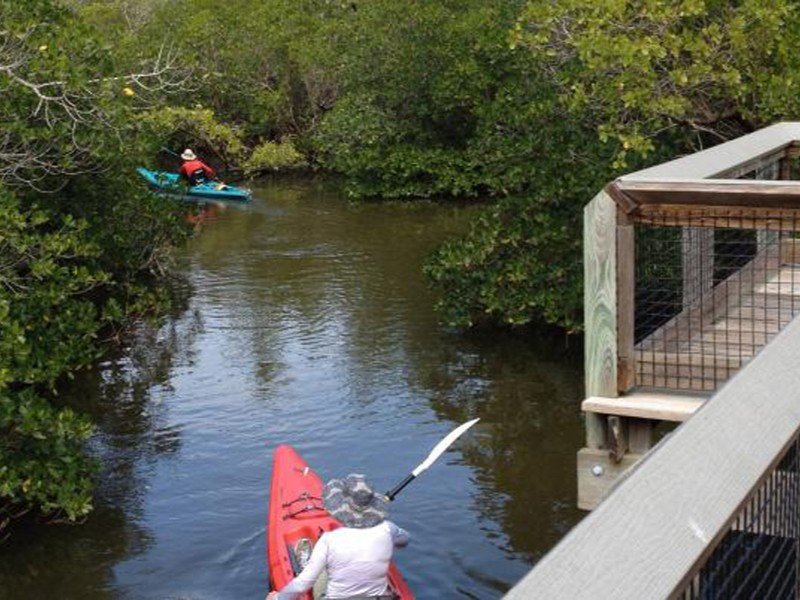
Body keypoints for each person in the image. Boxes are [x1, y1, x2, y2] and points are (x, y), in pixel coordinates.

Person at [268, 474, 410, 600]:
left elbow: (302, 584)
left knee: (321, 571)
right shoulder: (388, 528)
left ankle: (308, 562)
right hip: (377, 598)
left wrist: (277, 598)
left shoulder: (329, 540)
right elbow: (404, 540)